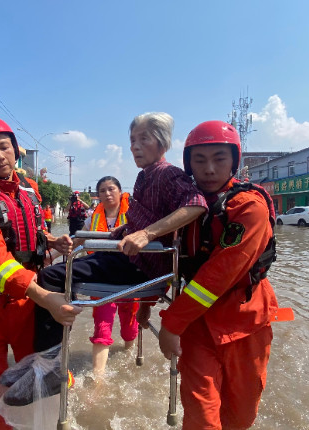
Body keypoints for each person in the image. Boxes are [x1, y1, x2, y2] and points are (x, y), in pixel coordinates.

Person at [0, 115, 82, 430]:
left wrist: (52, 241)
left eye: (4, 146)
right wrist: (46, 297)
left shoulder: (30, 191)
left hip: (30, 303)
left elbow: (29, 233)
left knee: (43, 383)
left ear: (16, 149)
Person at [35, 112, 207, 352]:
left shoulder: (168, 173)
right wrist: (122, 230)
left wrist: (147, 234)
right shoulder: (143, 177)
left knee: (51, 277)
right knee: (65, 266)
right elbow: (143, 219)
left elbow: (196, 204)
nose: (135, 147)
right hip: (124, 257)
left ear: (162, 142)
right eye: (132, 141)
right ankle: (58, 341)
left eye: (143, 139)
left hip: (141, 266)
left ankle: (47, 361)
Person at [154, 120, 279, 430]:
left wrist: (171, 322)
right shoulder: (185, 207)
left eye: (219, 159)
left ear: (234, 161)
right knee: (200, 418)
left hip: (245, 321)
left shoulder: (250, 207)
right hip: (197, 326)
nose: (209, 169)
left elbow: (220, 273)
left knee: (240, 416)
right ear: (188, 164)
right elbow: (160, 251)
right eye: (199, 160)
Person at [75, 176, 138, 377]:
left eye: (111, 189)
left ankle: (129, 358)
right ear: (98, 195)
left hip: (128, 277)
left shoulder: (135, 216)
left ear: (120, 191)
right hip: (101, 277)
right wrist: (55, 254)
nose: (107, 194)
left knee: (129, 322)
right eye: (102, 190)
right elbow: (78, 240)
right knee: (102, 323)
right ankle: (98, 378)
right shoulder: (92, 218)